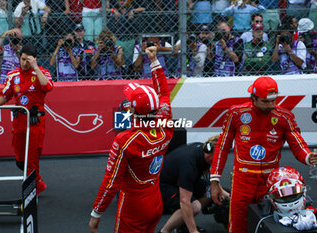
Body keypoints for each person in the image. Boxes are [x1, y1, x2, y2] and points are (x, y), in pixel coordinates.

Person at [209, 76, 317, 233]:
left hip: (270, 183)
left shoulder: (284, 116)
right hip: (242, 181)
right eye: (265, 101)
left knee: (271, 226)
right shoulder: (236, 113)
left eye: (274, 100)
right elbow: (222, 147)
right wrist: (214, 181)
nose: (271, 105)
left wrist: (309, 158)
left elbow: (298, 145)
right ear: (253, 98)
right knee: (238, 227)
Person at [89, 46, 174, 233]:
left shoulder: (125, 140)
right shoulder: (166, 123)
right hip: (156, 202)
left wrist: (96, 213)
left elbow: (111, 182)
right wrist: (154, 62)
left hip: (133, 207)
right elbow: (164, 93)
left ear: (133, 111)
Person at [0, 44, 53, 195]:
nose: (24, 63)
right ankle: (38, 184)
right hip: (19, 120)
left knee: (32, 157)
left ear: (34, 60)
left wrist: (35, 67)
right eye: (22, 59)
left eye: (28, 60)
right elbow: (6, 94)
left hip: (35, 120)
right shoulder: (12, 75)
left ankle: (32, 191)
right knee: (20, 158)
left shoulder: (42, 73)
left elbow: (48, 86)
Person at [159, 136, 229, 233]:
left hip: (178, 178)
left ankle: (183, 225)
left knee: (210, 192)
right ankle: (164, 231)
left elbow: (208, 175)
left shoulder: (203, 150)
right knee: (194, 207)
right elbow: (184, 201)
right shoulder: (189, 166)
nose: (219, 161)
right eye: (217, 157)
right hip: (164, 186)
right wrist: (194, 231)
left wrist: (223, 192)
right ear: (209, 152)